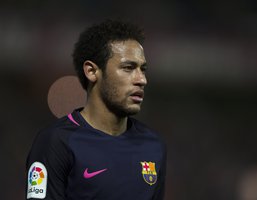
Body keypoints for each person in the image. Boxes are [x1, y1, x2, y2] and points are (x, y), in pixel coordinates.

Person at [26, 19, 166, 200]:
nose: (142, 79)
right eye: (128, 68)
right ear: (92, 71)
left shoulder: (154, 146)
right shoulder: (57, 142)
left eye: (143, 69)